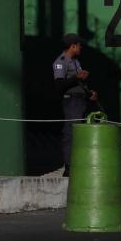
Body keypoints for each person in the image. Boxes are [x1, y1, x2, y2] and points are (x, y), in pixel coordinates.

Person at [52, 33, 98, 176]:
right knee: (71, 134)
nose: (81, 48)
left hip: (81, 100)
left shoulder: (76, 62)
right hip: (71, 101)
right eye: (79, 45)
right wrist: (76, 77)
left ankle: (80, 163)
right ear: (72, 46)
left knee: (82, 134)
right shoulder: (61, 62)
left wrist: (90, 93)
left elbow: (78, 84)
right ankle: (69, 167)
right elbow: (59, 85)